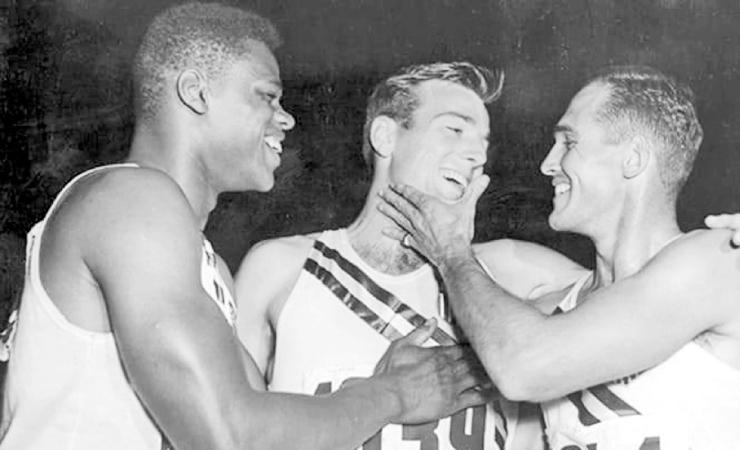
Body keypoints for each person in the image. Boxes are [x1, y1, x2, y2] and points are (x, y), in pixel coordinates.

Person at [0, 4, 487, 449]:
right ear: (196, 92)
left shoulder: (197, 260)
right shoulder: (130, 200)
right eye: (266, 96)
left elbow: (269, 425)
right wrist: (391, 396)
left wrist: (374, 388)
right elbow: (231, 436)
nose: (287, 119)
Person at [378, 65, 740, 449]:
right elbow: (484, 349)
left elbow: (525, 365)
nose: (547, 164)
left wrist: (450, 249)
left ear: (632, 159)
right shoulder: (554, 311)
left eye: (569, 142)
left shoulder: (717, 258)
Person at [235, 62, 551, 449]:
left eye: (483, 144)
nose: (475, 155)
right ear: (385, 136)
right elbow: (228, 433)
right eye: (454, 129)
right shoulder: (281, 268)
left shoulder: (507, 275)